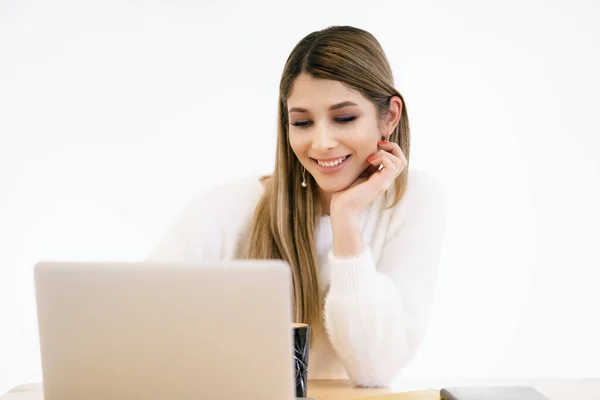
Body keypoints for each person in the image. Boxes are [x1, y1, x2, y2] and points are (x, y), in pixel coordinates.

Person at [147, 25, 447, 387]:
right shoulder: (227, 208)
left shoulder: (415, 201)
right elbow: (141, 323)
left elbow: (375, 369)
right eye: (302, 122)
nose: (321, 143)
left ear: (390, 116)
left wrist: (345, 220)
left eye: (344, 118)